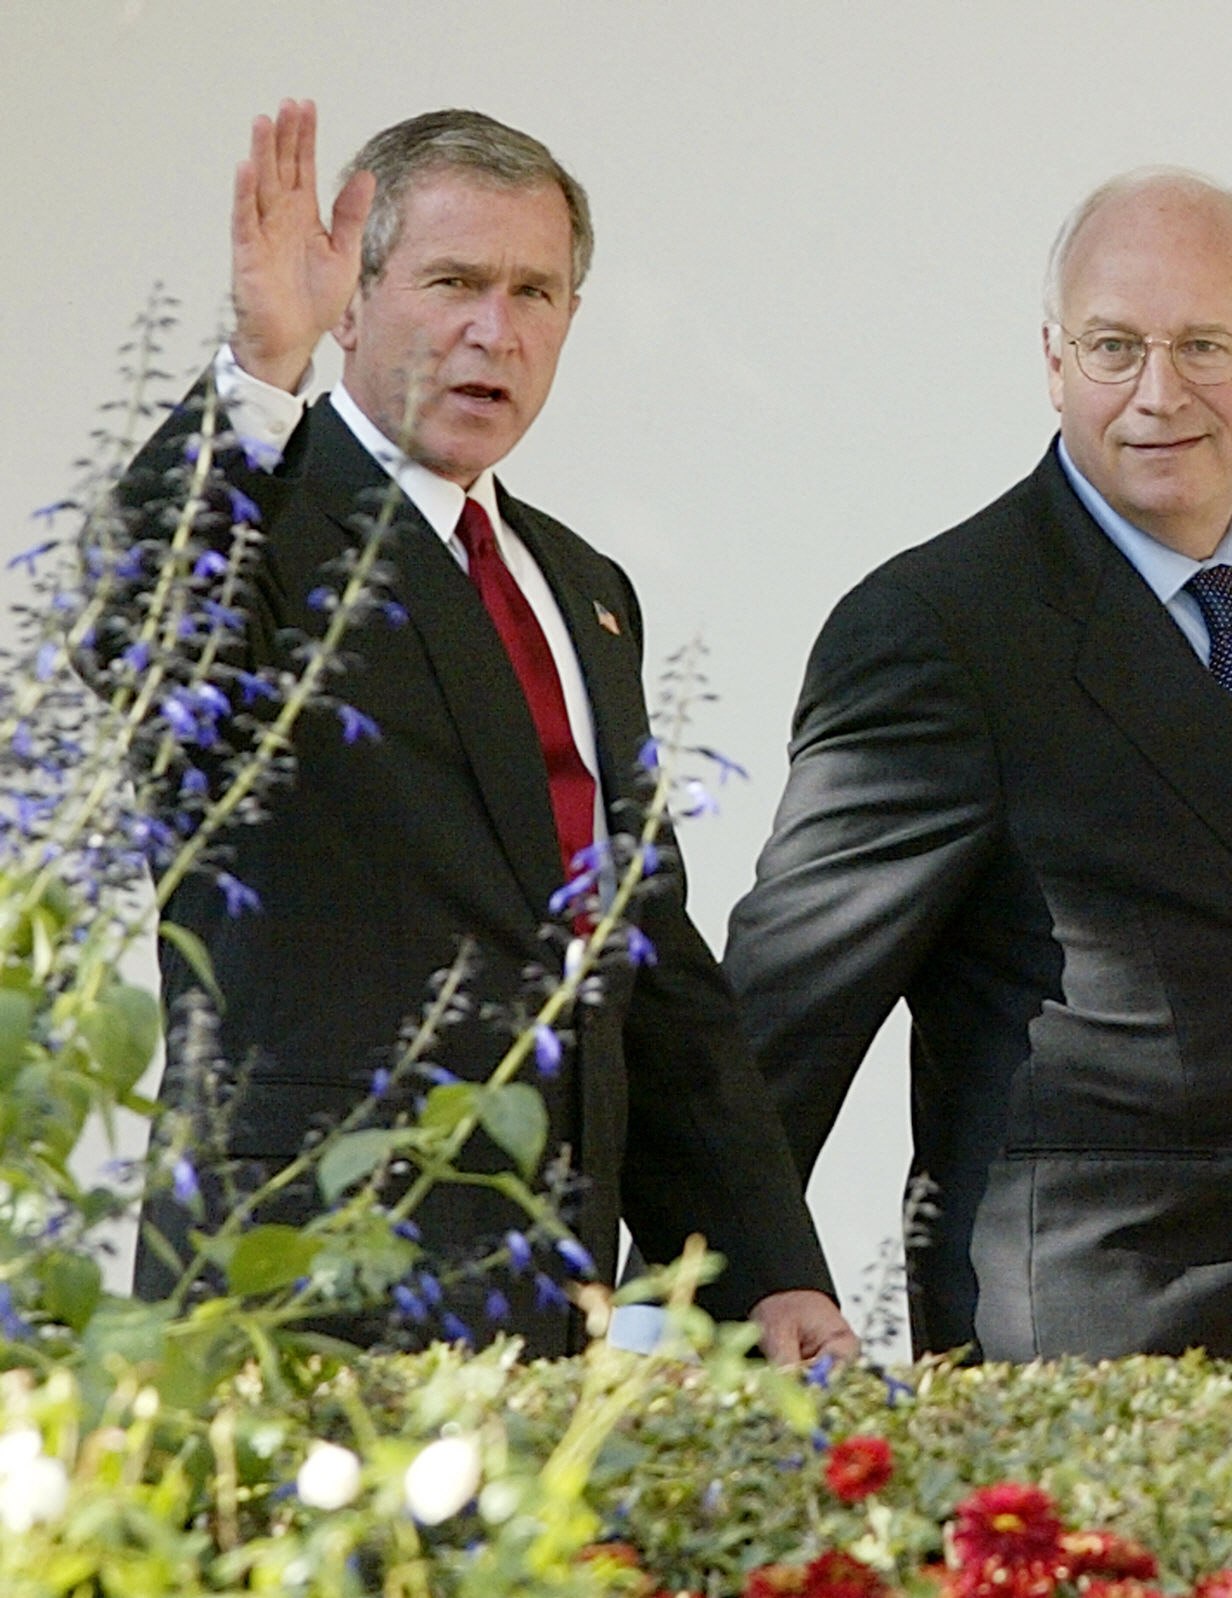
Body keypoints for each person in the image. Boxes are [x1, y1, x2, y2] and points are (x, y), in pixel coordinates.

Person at [124, 101, 853, 1363]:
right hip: (308, 1289)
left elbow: (642, 954)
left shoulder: (580, 585)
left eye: (533, 290)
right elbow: (137, 639)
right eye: (452, 280)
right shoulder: (269, 519)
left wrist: (766, 1267)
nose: (492, 329)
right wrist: (256, 370)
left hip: (545, 1306)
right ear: (347, 301)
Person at [724, 167, 1232, 1377]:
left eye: (1203, 345)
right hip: (1089, 1377)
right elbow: (775, 1014)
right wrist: (724, 1290)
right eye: (1112, 347)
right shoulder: (941, 629)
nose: (1156, 395)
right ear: (1052, 362)